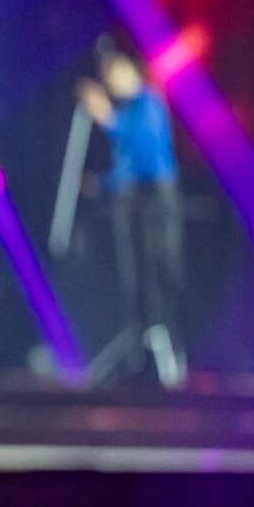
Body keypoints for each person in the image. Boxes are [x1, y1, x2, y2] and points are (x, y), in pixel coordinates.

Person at [75, 36, 184, 384]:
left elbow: (149, 156)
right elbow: (127, 167)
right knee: (135, 280)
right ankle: (141, 355)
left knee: (159, 275)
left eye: (113, 71)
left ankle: (170, 354)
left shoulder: (148, 103)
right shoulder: (125, 112)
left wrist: (109, 120)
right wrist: (101, 184)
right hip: (133, 201)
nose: (109, 80)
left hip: (157, 201)